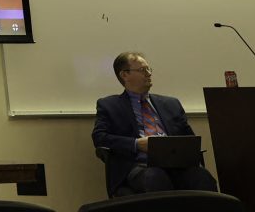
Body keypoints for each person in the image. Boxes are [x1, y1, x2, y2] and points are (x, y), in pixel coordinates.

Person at [93, 52, 218, 196]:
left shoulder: (171, 104)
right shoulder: (109, 105)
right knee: (155, 177)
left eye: (149, 69)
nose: (148, 74)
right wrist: (136, 143)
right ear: (124, 75)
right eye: (142, 70)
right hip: (138, 165)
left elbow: (189, 138)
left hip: (176, 164)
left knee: (202, 176)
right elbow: (99, 137)